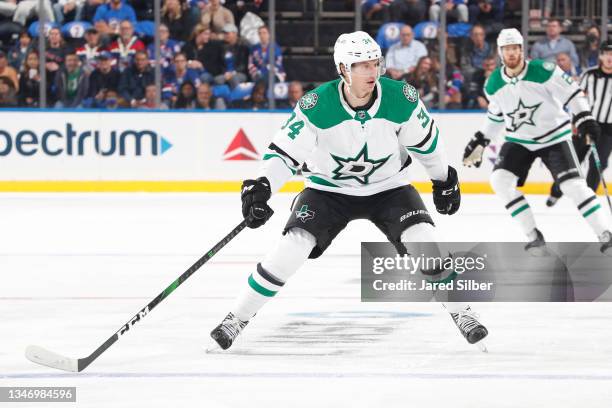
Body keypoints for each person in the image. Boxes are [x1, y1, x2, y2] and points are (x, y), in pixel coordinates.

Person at [209, 30, 488, 351]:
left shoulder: (401, 97)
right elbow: (285, 153)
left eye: (375, 64)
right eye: (363, 66)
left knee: (423, 240)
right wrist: (262, 186)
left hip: (390, 188)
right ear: (343, 69)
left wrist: (443, 178)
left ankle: (462, 312)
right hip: (328, 190)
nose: (372, 72)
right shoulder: (317, 105)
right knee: (292, 247)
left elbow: (427, 145)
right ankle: (237, 318)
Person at [463, 29, 611, 254]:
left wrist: (584, 118)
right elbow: (496, 115)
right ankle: (534, 236)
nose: (511, 53)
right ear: (501, 53)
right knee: (499, 181)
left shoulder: (544, 70)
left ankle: (605, 234)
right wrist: (482, 138)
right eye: (506, 49)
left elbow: (573, 93)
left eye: (515, 48)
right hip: (518, 139)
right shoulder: (492, 84)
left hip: (554, 136)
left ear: (522, 49)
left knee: (573, 186)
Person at [546, 42, 612, 208]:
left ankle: (588, 198)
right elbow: (577, 98)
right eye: (606, 53)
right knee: (572, 161)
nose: (610, 57)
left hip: (609, 128)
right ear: (601, 56)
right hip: (588, 124)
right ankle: (556, 191)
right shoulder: (589, 75)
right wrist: (575, 121)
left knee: (599, 163)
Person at [218, 23, 249, 88]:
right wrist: (225, 73)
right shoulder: (222, 46)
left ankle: (236, 97)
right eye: (224, 33)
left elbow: (243, 64)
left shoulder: (243, 46)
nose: (225, 35)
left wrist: (233, 73)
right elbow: (220, 63)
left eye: (227, 33)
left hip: (239, 73)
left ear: (235, 33)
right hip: (226, 73)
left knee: (233, 79)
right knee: (218, 80)